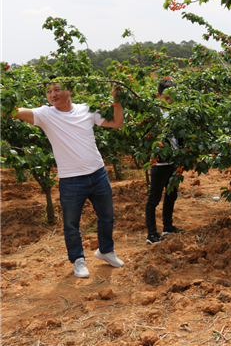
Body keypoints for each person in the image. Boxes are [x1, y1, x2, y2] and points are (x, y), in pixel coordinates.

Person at [11, 76, 125, 278]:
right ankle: (78, 260)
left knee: (107, 216)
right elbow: (13, 111)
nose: (53, 94)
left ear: (70, 90)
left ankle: (105, 251)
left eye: (56, 89)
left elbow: (117, 123)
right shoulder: (45, 114)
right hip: (71, 180)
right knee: (71, 224)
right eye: (49, 92)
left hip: (98, 174)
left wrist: (117, 100)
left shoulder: (87, 109)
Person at [144, 79, 186, 245]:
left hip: (174, 162)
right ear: (158, 96)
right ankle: (151, 234)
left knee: (171, 194)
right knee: (154, 198)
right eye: (166, 98)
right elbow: (148, 139)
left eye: (173, 98)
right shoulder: (153, 116)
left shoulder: (177, 113)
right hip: (159, 163)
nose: (170, 102)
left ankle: (167, 227)